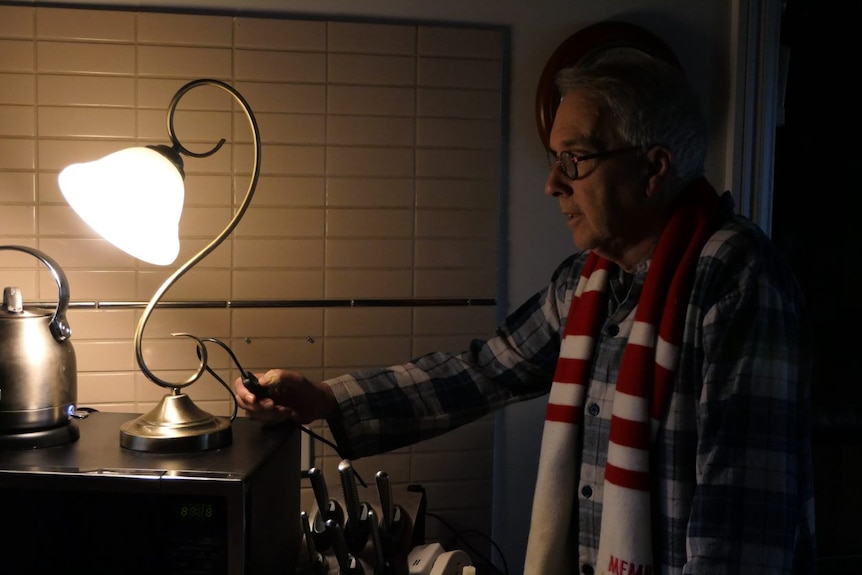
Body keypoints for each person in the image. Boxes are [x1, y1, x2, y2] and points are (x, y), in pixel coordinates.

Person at [235, 48, 816, 575]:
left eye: (575, 158)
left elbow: (741, 533)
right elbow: (484, 371)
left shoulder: (737, 278)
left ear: (654, 168)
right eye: (554, 158)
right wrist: (323, 399)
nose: (552, 184)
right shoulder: (589, 282)